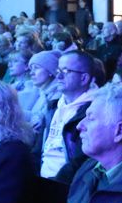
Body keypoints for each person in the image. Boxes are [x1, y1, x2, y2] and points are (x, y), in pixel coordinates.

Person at [37, 51, 98, 180]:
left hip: (65, 184)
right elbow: (37, 151)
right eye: (58, 70)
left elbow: (81, 162)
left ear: (84, 78)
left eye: (66, 71)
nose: (58, 76)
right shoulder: (52, 107)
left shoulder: (94, 112)